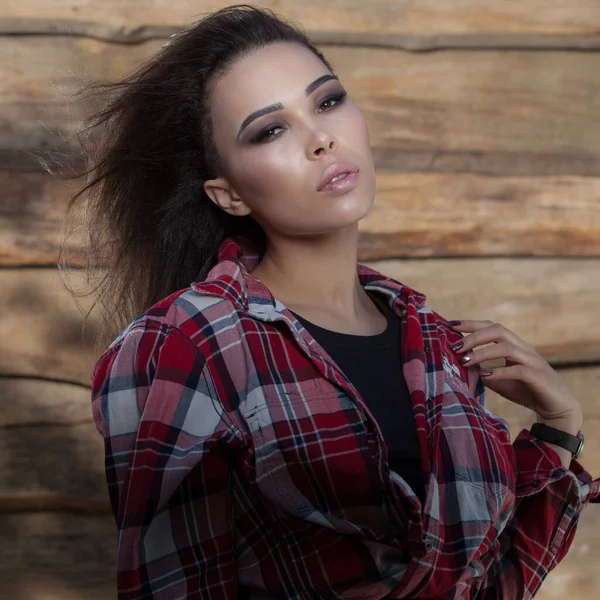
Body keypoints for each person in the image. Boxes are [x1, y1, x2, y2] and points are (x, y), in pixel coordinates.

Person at [64, 4, 599, 599]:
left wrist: (559, 429)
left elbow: (482, 585)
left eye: (328, 100)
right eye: (270, 130)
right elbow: (171, 586)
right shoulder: (184, 342)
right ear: (230, 194)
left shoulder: (438, 344)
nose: (321, 138)